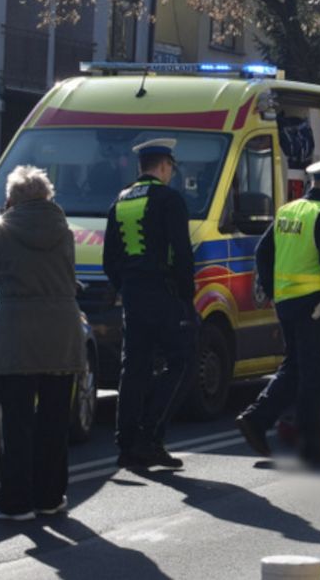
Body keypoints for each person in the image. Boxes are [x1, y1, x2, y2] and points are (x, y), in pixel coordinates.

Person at [0, 166, 86, 520]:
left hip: (17, 334)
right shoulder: (66, 232)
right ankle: (51, 497)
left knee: (18, 420)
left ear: (11, 199)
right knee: (55, 419)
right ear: (47, 197)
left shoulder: (3, 233)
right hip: (62, 332)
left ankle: (15, 502)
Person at [236, 153, 320, 467]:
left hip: (289, 305)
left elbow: (263, 253)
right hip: (318, 306)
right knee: (319, 377)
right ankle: (314, 447)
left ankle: (256, 420)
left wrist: (274, 291)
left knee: (295, 368)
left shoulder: (288, 211)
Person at [103, 138, 196, 470]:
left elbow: (109, 260)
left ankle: (126, 445)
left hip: (133, 295)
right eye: (171, 167)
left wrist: (126, 286)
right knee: (181, 362)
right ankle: (150, 437)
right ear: (164, 166)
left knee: (134, 369)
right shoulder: (169, 200)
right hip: (165, 295)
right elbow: (182, 253)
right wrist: (186, 298)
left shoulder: (121, 201)